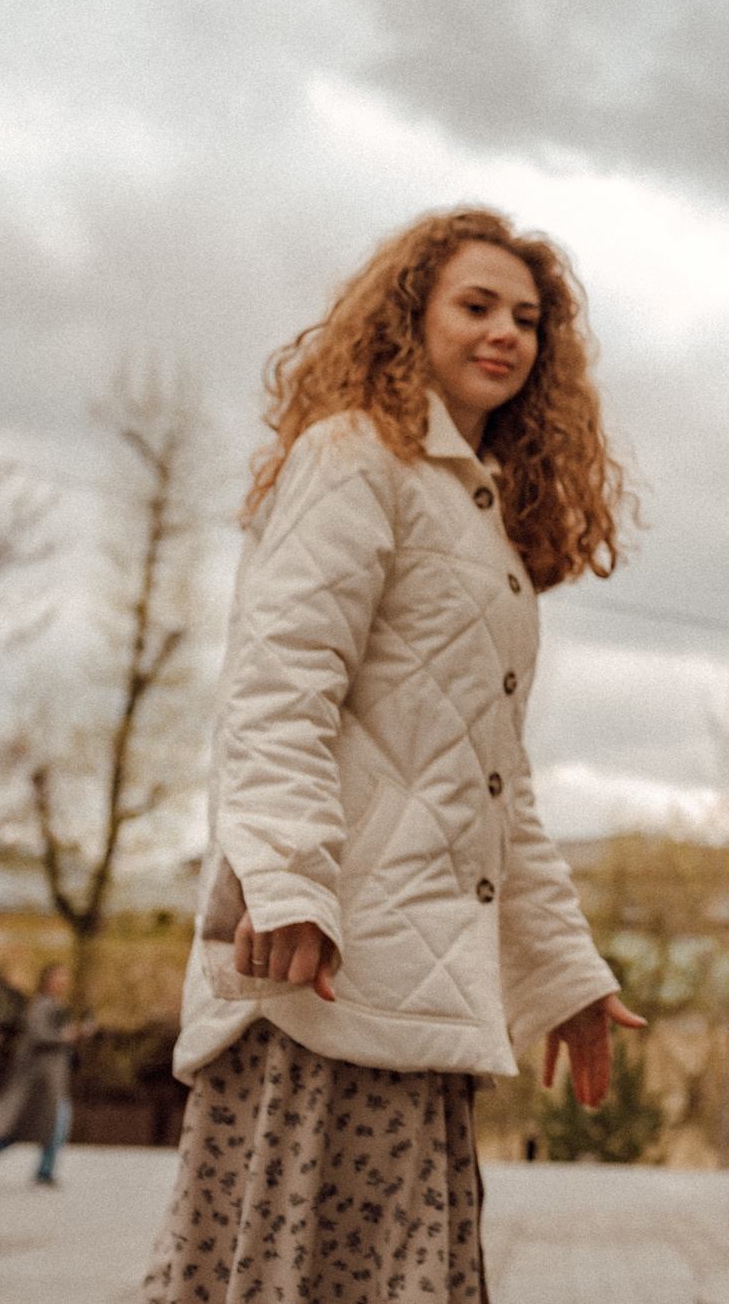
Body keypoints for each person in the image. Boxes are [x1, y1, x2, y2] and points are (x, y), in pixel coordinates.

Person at [143, 208, 645, 1304]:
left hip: (419, 978)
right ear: (410, 314)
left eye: (527, 318)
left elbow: (490, 782)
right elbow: (278, 686)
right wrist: (283, 878)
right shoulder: (352, 456)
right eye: (477, 304)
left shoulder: (480, 520)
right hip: (315, 964)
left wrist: (561, 973)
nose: (505, 332)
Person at [0, 963, 80, 1185]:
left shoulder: (52, 1004)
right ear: (48, 980)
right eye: (60, 977)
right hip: (41, 1078)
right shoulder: (41, 1005)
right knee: (53, 1122)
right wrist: (65, 1036)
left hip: (50, 1077)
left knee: (41, 1122)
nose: (64, 982)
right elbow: (39, 1034)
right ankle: (41, 1170)